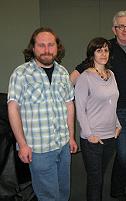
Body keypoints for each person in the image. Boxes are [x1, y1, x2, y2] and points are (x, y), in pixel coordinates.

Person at [70, 10, 126, 201]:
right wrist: (64, 89)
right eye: (121, 26)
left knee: (125, 155)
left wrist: (118, 123)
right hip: (109, 117)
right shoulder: (104, 50)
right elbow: (80, 75)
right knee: (122, 159)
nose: (125, 29)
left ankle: (117, 189)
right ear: (114, 29)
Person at [7, 27, 78, 201]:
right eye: (41, 45)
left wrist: (71, 137)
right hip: (39, 149)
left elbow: (69, 104)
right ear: (33, 48)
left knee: (63, 192)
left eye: (51, 45)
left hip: (62, 145)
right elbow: (13, 108)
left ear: (57, 47)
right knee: (48, 196)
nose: (46, 50)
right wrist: (22, 144)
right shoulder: (21, 73)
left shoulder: (62, 72)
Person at [75, 37, 121, 201]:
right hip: (93, 138)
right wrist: (89, 134)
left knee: (101, 176)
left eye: (106, 50)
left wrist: (117, 124)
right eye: (99, 50)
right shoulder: (85, 77)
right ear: (92, 54)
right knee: (95, 180)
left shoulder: (112, 74)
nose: (103, 54)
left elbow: (112, 103)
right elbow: (79, 108)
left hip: (110, 136)